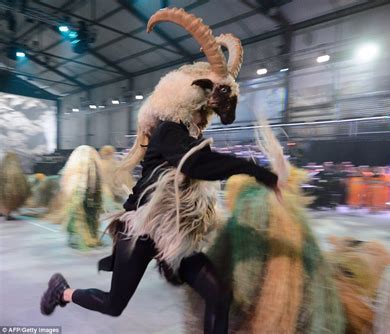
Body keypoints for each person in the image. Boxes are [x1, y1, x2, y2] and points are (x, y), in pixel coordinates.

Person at [40, 8, 280, 334]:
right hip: (141, 229)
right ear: (200, 91)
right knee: (114, 305)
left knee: (219, 296)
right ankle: (62, 292)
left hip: (173, 233)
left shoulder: (188, 133)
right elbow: (196, 163)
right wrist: (255, 169)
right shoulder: (169, 129)